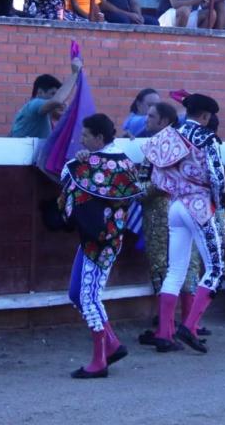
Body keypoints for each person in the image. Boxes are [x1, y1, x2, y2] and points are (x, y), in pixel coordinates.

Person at [141, 93, 225, 353]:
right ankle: (189, 326)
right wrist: (217, 208)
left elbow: (155, 174)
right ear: (205, 116)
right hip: (198, 206)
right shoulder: (207, 137)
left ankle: (165, 334)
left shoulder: (168, 134)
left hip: (174, 206)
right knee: (216, 269)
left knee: (175, 270)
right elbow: (217, 177)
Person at [60, 113, 142, 378]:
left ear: (99, 137)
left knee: (89, 297)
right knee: (77, 293)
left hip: (99, 240)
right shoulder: (125, 162)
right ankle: (113, 344)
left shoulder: (94, 164)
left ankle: (99, 360)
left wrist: (81, 160)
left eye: (85, 135)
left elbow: (66, 175)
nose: (81, 140)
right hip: (106, 236)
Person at [133, 100, 207, 345]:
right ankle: (189, 327)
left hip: (161, 215)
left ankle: (165, 332)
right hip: (192, 209)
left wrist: (133, 189)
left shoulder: (159, 145)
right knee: (188, 268)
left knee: (164, 270)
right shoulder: (189, 141)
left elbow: (154, 186)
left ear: (164, 121)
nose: (147, 120)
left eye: (151, 117)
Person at [10, 61, 83, 139]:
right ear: (40, 93)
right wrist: (75, 73)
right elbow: (57, 101)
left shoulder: (41, 115)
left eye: (57, 94)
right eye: (53, 94)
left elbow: (61, 115)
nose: (62, 102)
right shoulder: (34, 104)